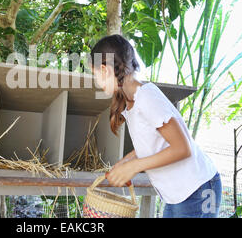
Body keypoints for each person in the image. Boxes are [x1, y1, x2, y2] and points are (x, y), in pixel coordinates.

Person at [89, 34, 222, 218]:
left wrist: (134, 166)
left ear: (105, 69)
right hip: (178, 195)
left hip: (198, 190)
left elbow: (183, 148)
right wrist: (127, 162)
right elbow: (155, 143)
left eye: (95, 74)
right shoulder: (131, 102)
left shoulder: (147, 97)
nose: (96, 81)